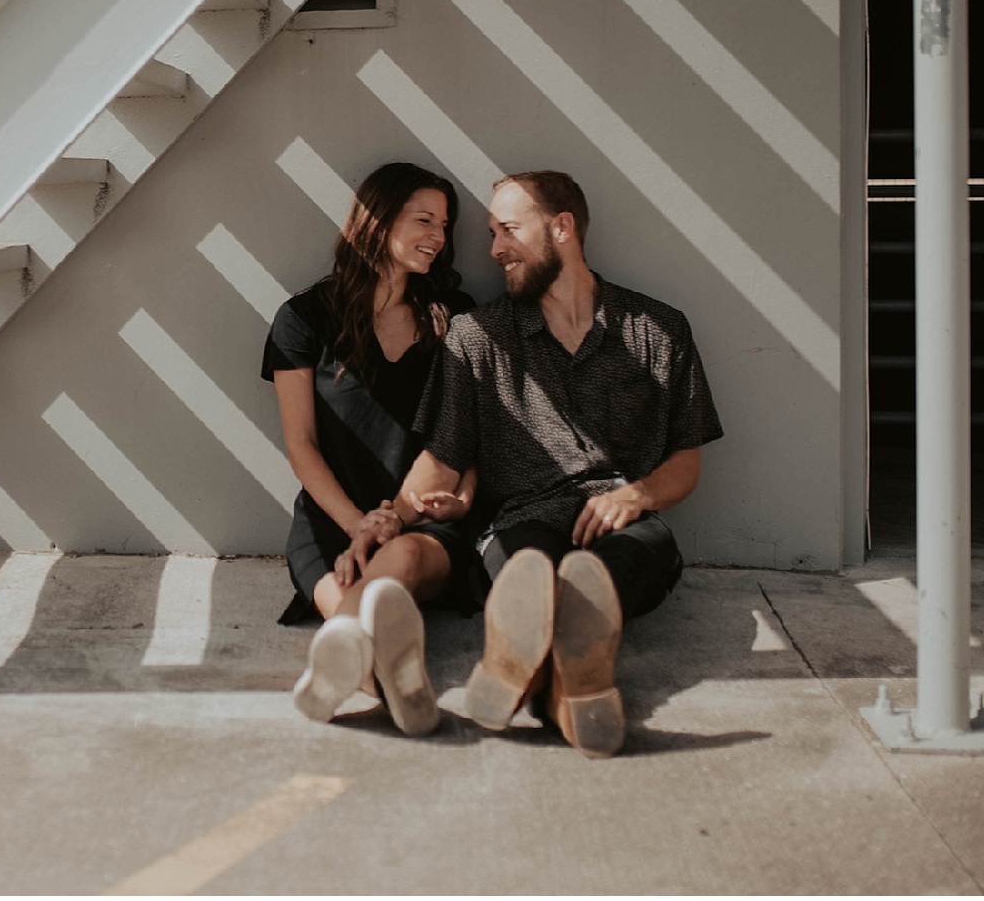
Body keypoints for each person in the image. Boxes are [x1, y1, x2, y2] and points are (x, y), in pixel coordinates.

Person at [307, 170, 723, 757]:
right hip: (519, 520)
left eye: (508, 230)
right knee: (529, 572)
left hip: (622, 519)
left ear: (562, 228)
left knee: (630, 560)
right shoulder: (476, 337)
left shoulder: (657, 329)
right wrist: (386, 520)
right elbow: (443, 458)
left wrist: (638, 496)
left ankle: (534, 672)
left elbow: (686, 460)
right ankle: (566, 681)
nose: (494, 249)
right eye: (491, 234)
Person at [263, 161, 476, 737]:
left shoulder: (455, 317)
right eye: (424, 220)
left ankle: (363, 682)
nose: (438, 236)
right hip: (333, 521)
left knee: (398, 564)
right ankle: (393, 686)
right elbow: (301, 446)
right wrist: (359, 524)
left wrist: (455, 498)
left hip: (424, 521)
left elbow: (463, 437)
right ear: (377, 221)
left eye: (445, 226)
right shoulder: (303, 319)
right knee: (349, 608)